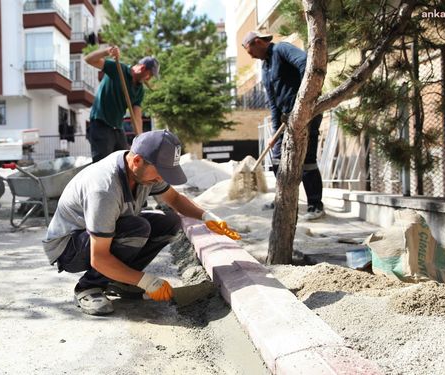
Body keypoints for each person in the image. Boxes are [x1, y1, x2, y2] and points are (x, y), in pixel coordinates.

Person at [43, 130, 239, 316]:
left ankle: (117, 280)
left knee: (169, 222)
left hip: (100, 234)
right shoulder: (104, 190)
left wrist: (206, 217)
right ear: (136, 161)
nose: (161, 179)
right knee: (137, 229)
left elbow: (175, 199)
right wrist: (146, 281)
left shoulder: (143, 169)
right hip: (69, 247)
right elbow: (99, 258)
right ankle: (88, 287)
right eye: (160, 172)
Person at [242, 31, 325, 220]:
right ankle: (284, 200)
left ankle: (315, 205)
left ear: (257, 42)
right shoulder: (265, 68)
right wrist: (274, 133)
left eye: (250, 51)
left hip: (307, 113)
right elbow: (273, 103)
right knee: (277, 160)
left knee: (307, 160)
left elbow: (305, 64)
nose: (251, 56)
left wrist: (305, 100)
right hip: (285, 119)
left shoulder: (282, 49)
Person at [84, 46, 159, 162]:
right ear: (142, 68)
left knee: (124, 164)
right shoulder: (118, 69)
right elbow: (88, 59)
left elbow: (137, 117)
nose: (148, 79)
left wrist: (141, 141)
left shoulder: (139, 90)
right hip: (101, 125)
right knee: (102, 166)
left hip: (118, 129)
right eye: (150, 75)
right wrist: (106, 51)